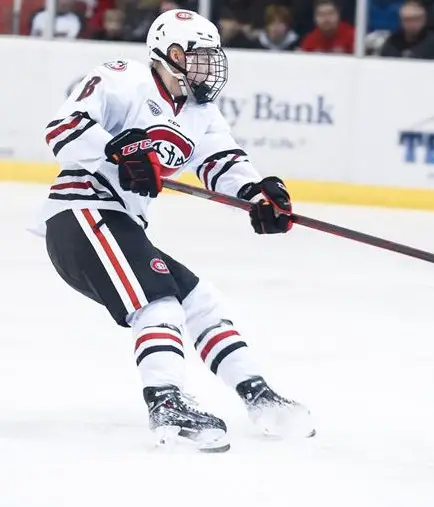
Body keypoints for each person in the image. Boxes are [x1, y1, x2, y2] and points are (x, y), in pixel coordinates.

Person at [39, 8, 315, 453]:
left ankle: (257, 393)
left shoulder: (200, 111)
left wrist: (257, 194)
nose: (209, 67)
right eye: (199, 57)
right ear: (169, 54)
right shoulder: (120, 78)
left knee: (199, 302)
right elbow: (62, 129)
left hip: (121, 223)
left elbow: (223, 161)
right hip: (82, 214)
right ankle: (165, 401)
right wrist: (117, 153)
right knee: (158, 301)